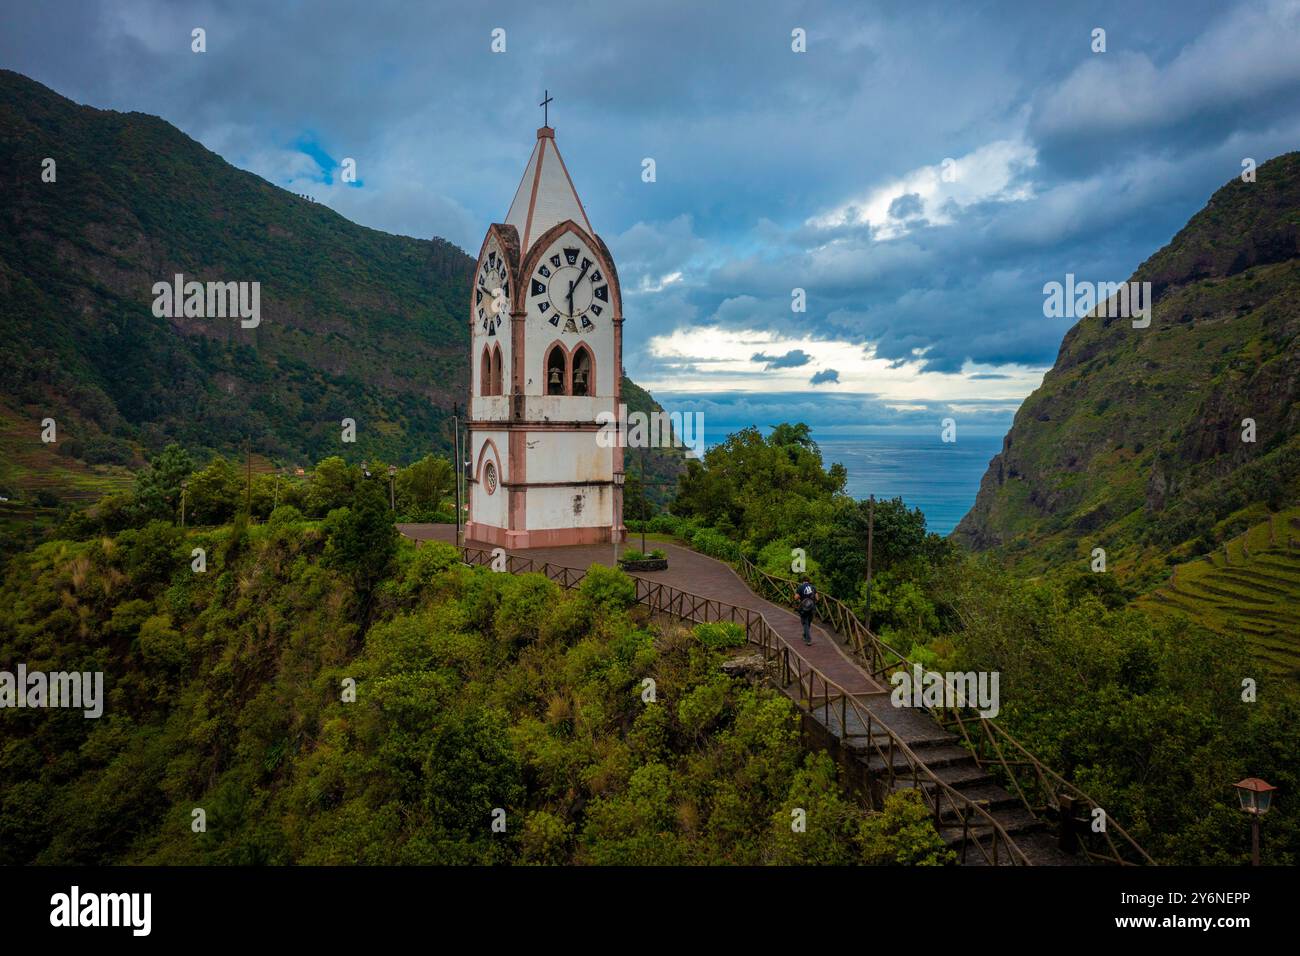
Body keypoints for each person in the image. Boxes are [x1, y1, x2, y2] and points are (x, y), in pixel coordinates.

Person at [795, 577, 816, 646]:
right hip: (812, 607)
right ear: (809, 581)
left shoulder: (800, 587)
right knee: (808, 622)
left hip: (803, 608)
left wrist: (801, 597)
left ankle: (808, 640)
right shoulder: (813, 587)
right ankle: (804, 635)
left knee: (805, 623)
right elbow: (817, 598)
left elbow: (796, 597)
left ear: (803, 581)